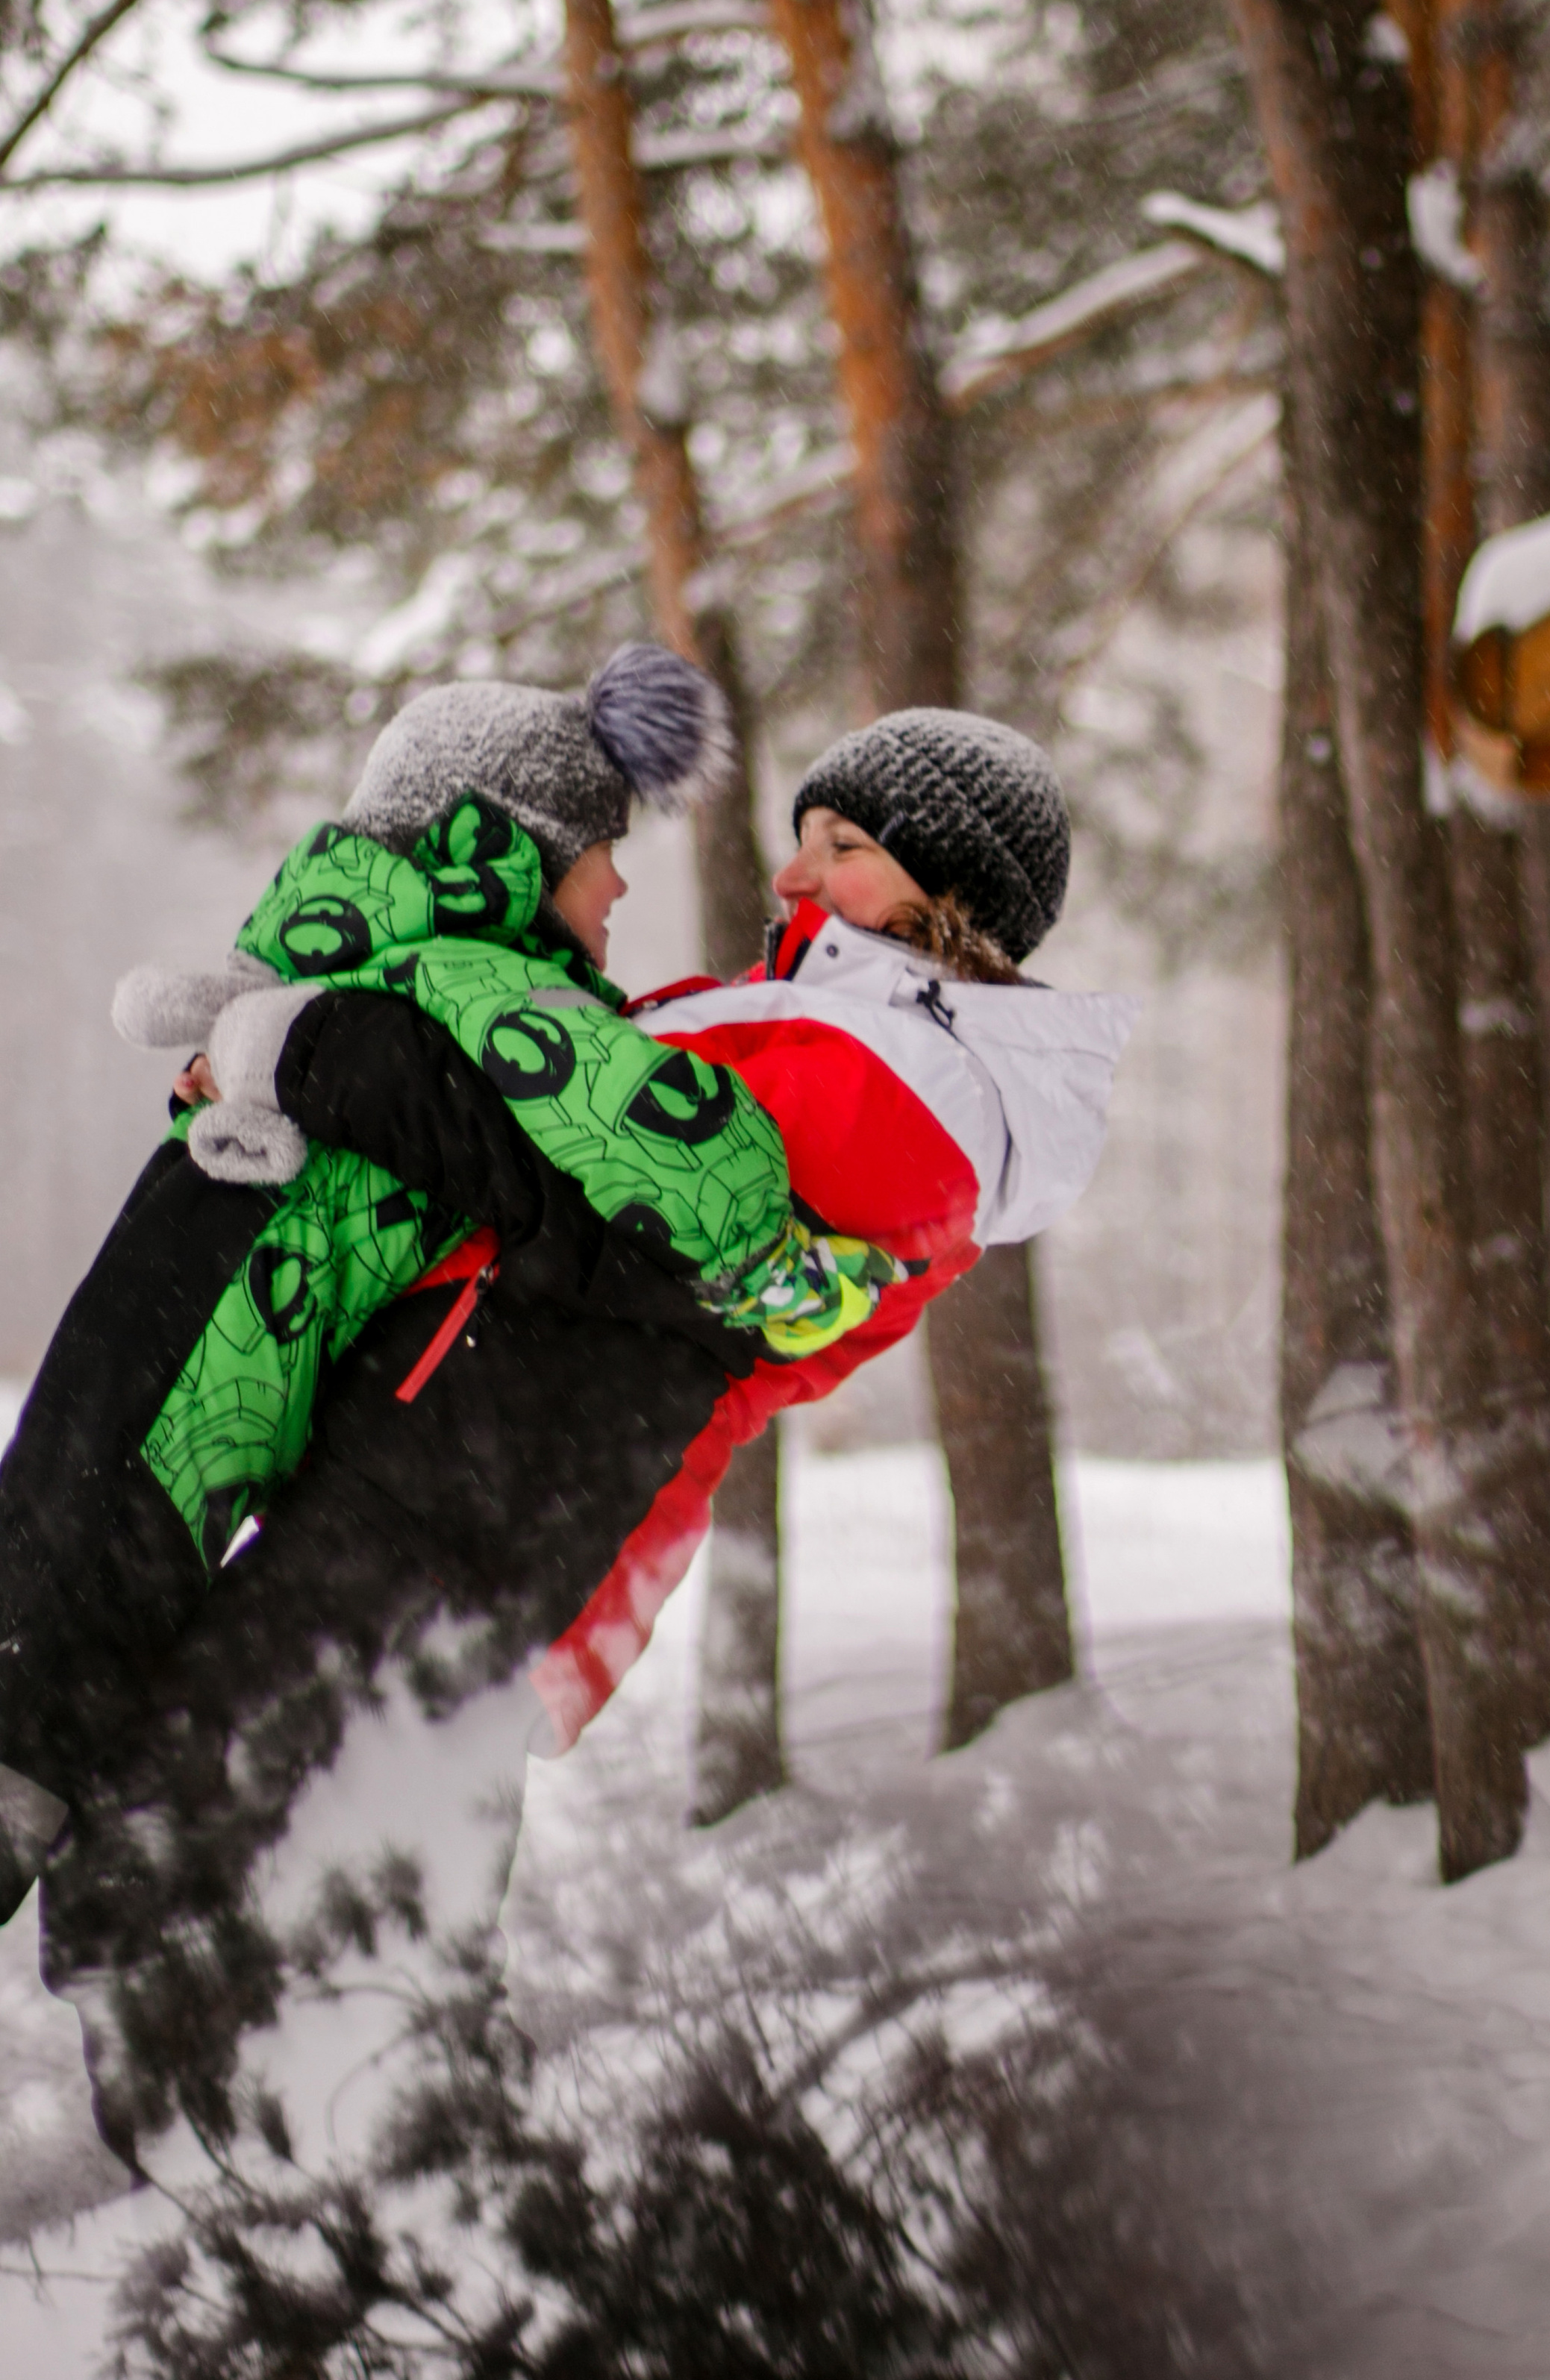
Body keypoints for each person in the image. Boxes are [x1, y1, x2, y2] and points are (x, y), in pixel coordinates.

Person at [12, 692, 1135, 2158]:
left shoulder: (897, 1087)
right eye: (802, 839)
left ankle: (320, 2221)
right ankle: (327, 2218)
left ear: (955, 898)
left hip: (497, 1511)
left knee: (225, 1859)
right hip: (447, 1473)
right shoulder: (818, 1025)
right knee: (261, 1860)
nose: (793, 880)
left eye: (844, 848)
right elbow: (545, 1114)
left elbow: (596, 1191)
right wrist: (295, 1070)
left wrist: (319, 1053)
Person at [0, 645, 887, 1919]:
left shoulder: (332, 974)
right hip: (153, 1493)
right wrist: (792, 1273)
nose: (622, 877)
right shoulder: (475, 979)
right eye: (598, 845)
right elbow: (700, 1168)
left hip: (94, 1486)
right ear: (504, 854)